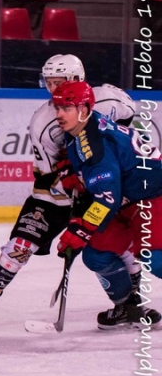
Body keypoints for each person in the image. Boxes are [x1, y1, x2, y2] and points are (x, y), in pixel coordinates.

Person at [0, 54, 143, 327]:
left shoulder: (109, 99)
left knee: (113, 245)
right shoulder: (44, 122)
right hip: (54, 196)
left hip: (99, 188)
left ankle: (129, 302)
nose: (54, 89)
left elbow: (130, 123)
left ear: (77, 80)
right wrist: (74, 187)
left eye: (60, 82)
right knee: (19, 246)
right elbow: (48, 173)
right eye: (49, 82)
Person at [52, 81, 162, 329]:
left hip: (154, 195)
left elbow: (106, 198)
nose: (59, 114)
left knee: (155, 258)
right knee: (96, 255)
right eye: (57, 107)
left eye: (66, 108)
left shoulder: (94, 146)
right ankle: (129, 307)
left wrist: (81, 228)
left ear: (84, 108)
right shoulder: (83, 128)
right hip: (127, 198)